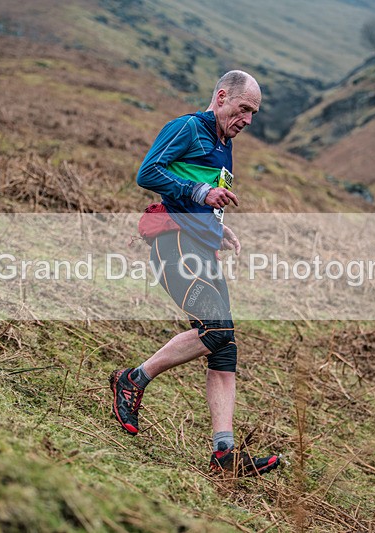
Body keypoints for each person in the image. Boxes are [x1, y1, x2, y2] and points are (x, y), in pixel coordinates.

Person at [109, 70, 279, 477]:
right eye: (243, 109)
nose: (248, 120)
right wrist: (202, 193)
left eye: (253, 113)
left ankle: (224, 453)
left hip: (200, 247)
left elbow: (203, 196)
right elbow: (148, 173)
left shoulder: (225, 146)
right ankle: (133, 378)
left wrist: (218, 228)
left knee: (225, 346)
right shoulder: (188, 127)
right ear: (221, 97)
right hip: (174, 245)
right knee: (216, 329)